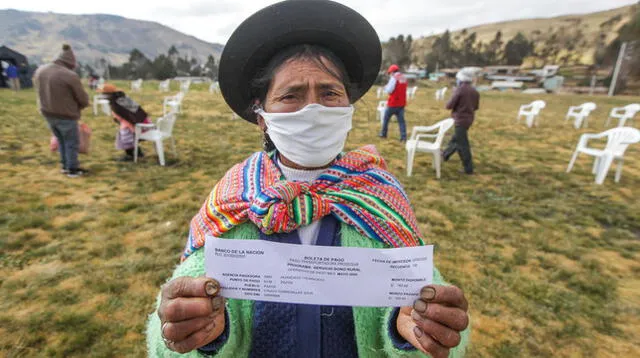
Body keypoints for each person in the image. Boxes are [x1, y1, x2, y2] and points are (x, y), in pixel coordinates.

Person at [147, 1, 470, 357]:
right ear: (262, 118)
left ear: (348, 107)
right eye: (291, 95)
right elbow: (174, 333)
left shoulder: (380, 195)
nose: (313, 110)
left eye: (329, 93)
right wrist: (196, 334)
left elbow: (426, 311)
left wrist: (417, 331)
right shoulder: (235, 198)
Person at [34, 44, 89, 177]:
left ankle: (65, 165)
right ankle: (72, 169)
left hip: (47, 113)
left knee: (61, 140)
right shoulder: (69, 75)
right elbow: (82, 97)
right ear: (70, 61)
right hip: (66, 114)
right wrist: (83, 105)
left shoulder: (41, 70)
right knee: (71, 142)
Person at [98, 83, 149, 161]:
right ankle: (137, 153)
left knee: (125, 136)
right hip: (142, 120)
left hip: (138, 124)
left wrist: (131, 128)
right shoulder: (122, 98)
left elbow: (128, 118)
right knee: (124, 135)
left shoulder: (116, 103)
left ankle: (131, 155)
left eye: (103, 94)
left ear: (108, 94)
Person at [442, 69, 480, 175]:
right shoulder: (474, 91)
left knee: (462, 144)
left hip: (460, 119)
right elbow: (476, 107)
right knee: (456, 139)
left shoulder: (459, 90)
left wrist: (454, 94)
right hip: (469, 119)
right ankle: (445, 154)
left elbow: (449, 105)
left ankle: (468, 168)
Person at [379, 64, 408, 141]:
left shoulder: (393, 78)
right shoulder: (403, 77)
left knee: (386, 119)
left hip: (393, 103)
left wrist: (385, 88)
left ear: (392, 72)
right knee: (401, 122)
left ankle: (383, 134)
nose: (390, 74)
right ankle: (403, 137)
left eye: (389, 73)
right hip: (402, 103)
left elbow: (390, 90)